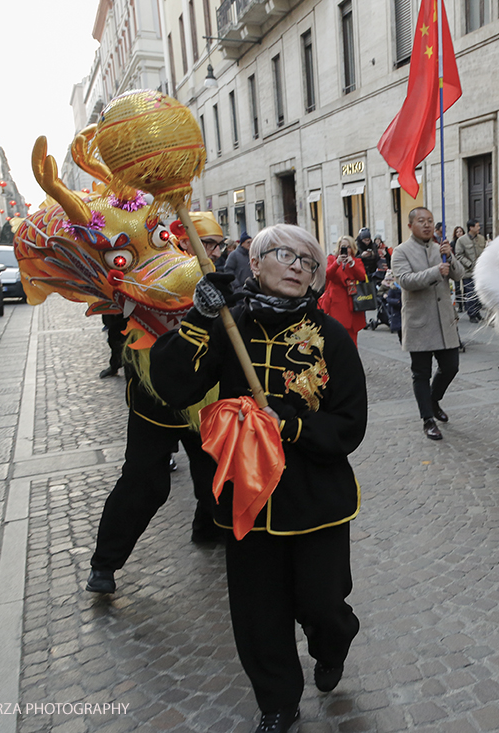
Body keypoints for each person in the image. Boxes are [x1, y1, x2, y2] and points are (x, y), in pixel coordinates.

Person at [149, 224, 367, 733]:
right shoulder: (228, 324)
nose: (296, 265)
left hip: (317, 501)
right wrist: (199, 318)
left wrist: (290, 425)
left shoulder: (331, 337)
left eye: (308, 262)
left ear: (315, 278)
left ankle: (332, 645)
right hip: (247, 500)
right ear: (257, 262)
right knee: (257, 613)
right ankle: (277, 700)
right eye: (283, 254)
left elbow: (350, 424)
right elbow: (172, 384)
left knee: (324, 605)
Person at [85, 217, 227, 594]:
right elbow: (118, 333)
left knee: (215, 471)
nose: (213, 252)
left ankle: (209, 527)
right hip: (154, 403)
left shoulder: (217, 278)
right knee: (143, 483)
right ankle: (105, 563)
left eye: (217, 244)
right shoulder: (139, 278)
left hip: (202, 397)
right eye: (207, 243)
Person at [392, 207, 465, 440]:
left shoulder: (440, 248)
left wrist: (450, 257)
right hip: (419, 321)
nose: (427, 225)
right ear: (410, 225)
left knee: (451, 366)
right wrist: (435, 271)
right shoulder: (400, 252)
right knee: (421, 373)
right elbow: (405, 281)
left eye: (430, 221)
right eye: (421, 221)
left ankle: (433, 400)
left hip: (444, 321)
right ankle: (427, 419)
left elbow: (459, 275)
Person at [318, 235, 367, 346]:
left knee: (352, 339)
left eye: (348, 247)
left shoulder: (356, 261)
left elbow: (362, 276)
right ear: (338, 248)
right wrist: (337, 263)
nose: (345, 249)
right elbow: (327, 275)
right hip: (335, 302)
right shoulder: (332, 259)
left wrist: (352, 264)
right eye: (343, 247)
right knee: (335, 334)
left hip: (352, 302)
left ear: (352, 248)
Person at [454, 219, 487, 323]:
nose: (479, 228)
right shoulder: (461, 240)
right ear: (471, 228)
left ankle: (477, 313)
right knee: (470, 293)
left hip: (480, 272)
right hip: (468, 272)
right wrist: (469, 264)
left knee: (478, 294)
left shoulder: (481, 239)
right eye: (477, 226)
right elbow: (458, 255)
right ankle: (471, 314)